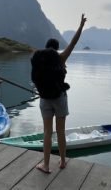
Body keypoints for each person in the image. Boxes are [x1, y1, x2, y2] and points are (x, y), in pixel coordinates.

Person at [34, 13, 87, 173]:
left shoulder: (39, 60)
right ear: (56, 48)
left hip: (44, 99)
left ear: (46, 47)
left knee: (47, 133)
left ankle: (46, 165)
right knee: (61, 132)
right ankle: (63, 162)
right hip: (60, 98)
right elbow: (73, 43)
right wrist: (81, 26)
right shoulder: (61, 58)